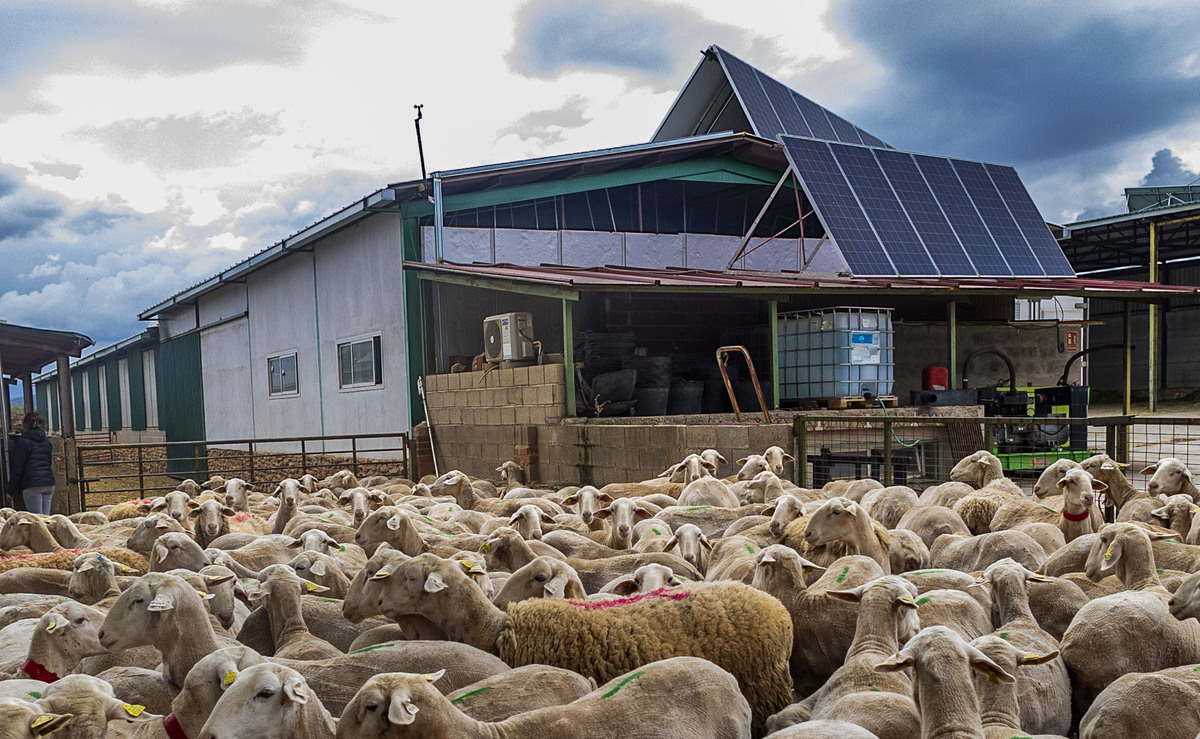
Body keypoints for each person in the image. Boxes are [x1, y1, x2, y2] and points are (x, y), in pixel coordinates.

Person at [10, 412, 55, 514]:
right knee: (46, 519)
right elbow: (49, 462)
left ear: (26, 425)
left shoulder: (23, 441)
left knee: (36, 521)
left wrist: (11, 490)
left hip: (32, 484)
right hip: (49, 483)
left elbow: (18, 467)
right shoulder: (46, 441)